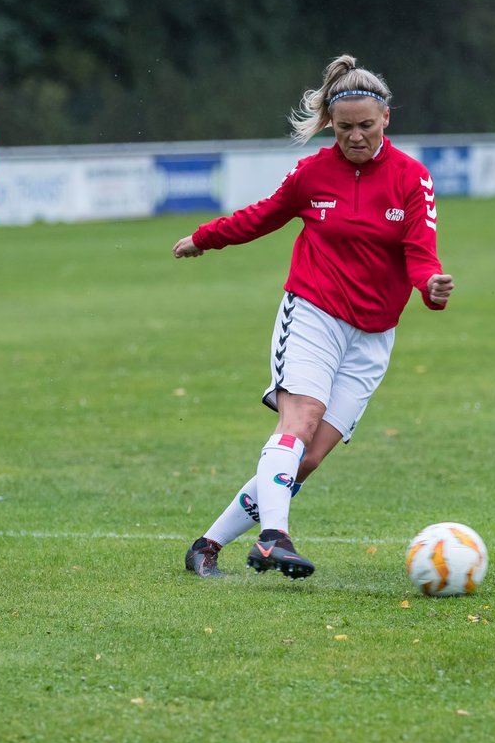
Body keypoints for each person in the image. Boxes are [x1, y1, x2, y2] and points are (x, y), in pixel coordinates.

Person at [172, 54, 454, 578]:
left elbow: (421, 254)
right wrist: (205, 239)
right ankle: (273, 537)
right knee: (298, 422)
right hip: (313, 314)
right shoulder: (312, 173)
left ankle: (207, 546)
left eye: (366, 126)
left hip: (373, 336)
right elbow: (261, 216)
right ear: (330, 123)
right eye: (344, 127)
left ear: (385, 118)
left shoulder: (412, 180)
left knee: (307, 457)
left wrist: (431, 289)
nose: (355, 137)